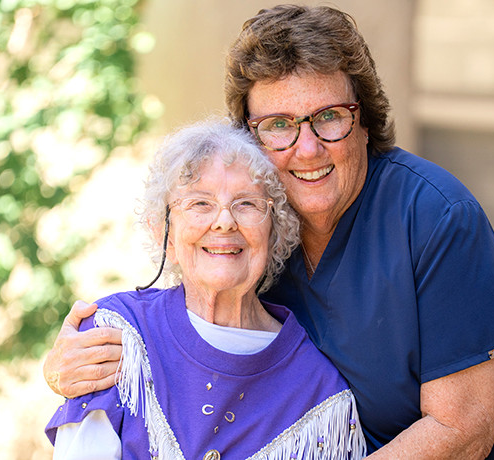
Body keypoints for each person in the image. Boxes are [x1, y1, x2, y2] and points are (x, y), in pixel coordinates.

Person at [43, 5, 494, 459]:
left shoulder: (434, 217)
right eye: (279, 125)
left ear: (364, 120)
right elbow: (197, 305)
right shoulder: (261, 227)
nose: (307, 148)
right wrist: (79, 365)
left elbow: (462, 433)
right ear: (250, 136)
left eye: (329, 117)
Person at [45, 119, 367, 459]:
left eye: (247, 204)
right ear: (164, 232)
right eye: (200, 203)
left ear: (275, 233)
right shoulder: (116, 335)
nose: (224, 221)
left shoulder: (319, 396)